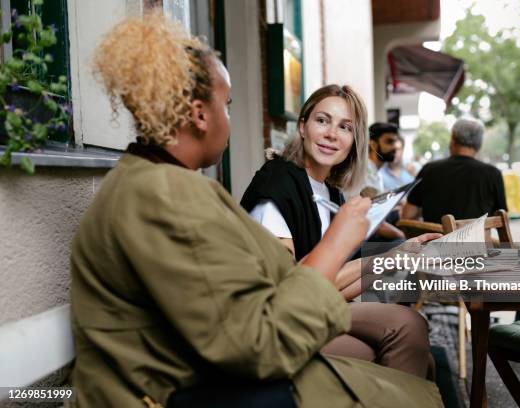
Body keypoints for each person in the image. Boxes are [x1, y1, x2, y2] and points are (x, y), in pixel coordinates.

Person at [69, 13, 443, 408]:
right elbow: (259, 342)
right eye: (226, 105)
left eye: (346, 127)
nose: (229, 119)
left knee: (404, 349)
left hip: (202, 373)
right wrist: (339, 241)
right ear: (199, 114)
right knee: (404, 373)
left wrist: (388, 255)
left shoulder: (156, 181)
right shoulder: (165, 193)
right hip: (187, 391)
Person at [241, 85, 438, 379]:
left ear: (354, 140)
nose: (332, 133)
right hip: (276, 321)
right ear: (303, 126)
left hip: (315, 308)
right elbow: (292, 291)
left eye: (345, 127)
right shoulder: (278, 184)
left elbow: (337, 282)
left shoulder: (332, 193)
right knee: (405, 327)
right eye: (323, 121)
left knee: (418, 340)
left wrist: (401, 256)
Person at [402, 118, 507, 223]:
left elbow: (407, 216)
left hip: (435, 239)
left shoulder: (428, 170)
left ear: (453, 140)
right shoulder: (493, 174)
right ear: (478, 145)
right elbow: (501, 219)